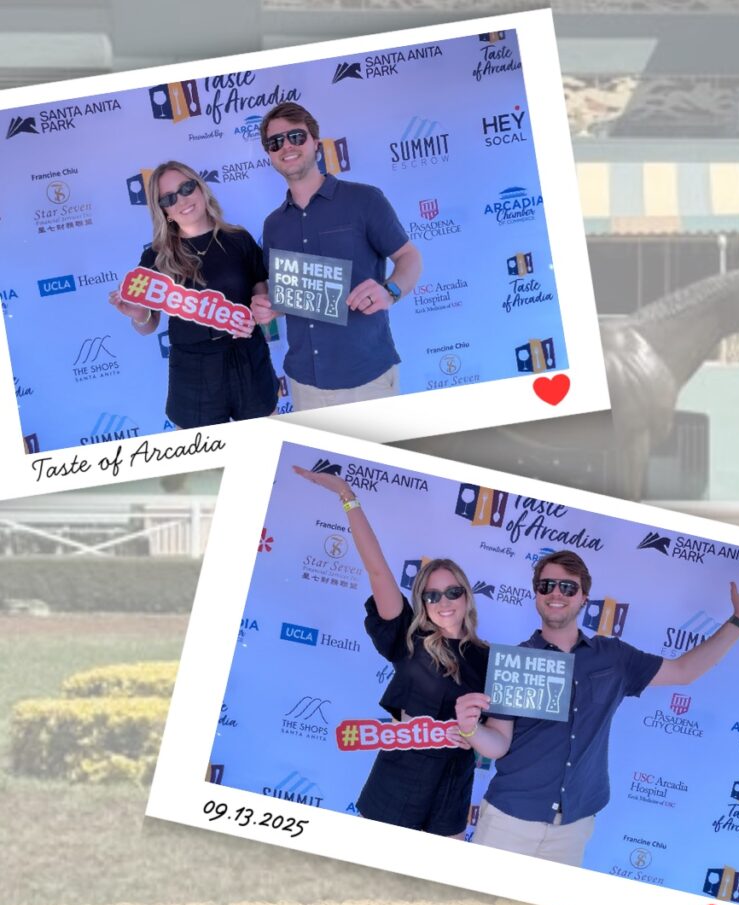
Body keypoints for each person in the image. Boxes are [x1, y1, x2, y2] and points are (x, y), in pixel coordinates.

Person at [456, 549, 739, 867]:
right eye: (546, 585)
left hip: (573, 827)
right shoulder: (515, 662)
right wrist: (470, 728)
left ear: (583, 598)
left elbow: (685, 671)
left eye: (568, 587)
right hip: (508, 821)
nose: (556, 594)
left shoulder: (614, 657)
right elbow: (497, 743)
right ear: (536, 594)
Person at [293, 464, 512, 835]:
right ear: (422, 602)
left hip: (450, 793)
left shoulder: (494, 660)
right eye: (432, 594)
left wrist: (471, 731)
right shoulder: (408, 638)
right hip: (395, 786)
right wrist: (347, 497)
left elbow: (498, 745)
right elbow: (377, 570)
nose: (444, 602)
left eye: (453, 591)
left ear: (467, 597)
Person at [252, 103, 422, 412]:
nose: (286, 146)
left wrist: (391, 291)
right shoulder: (273, 225)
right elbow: (288, 292)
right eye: (275, 142)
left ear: (315, 142)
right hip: (304, 384)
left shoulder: (365, 200)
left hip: (366, 377)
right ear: (269, 154)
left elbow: (409, 256)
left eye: (296, 136)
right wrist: (268, 307)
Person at [109, 161, 279, 429]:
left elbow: (263, 296)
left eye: (186, 188)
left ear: (201, 189)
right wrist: (140, 316)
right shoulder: (156, 256)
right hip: (192, 371)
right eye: (169, 198)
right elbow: (148, 325)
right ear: (163, 210)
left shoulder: (238, 239)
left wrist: (264, 311)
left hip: (247, 358)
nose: (182, 200)